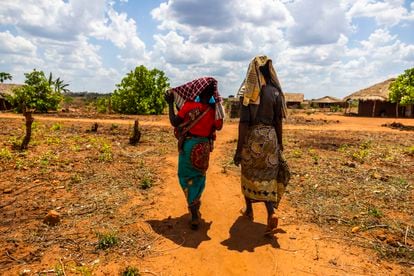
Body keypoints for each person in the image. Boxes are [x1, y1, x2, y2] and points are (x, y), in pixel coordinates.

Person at [233, 56, 289, 234]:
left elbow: (243, 123)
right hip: (271, 137)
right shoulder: (275, 92)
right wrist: (279, 143)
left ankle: (249, 210)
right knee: (268, 177)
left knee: (249, 173)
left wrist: (238, 150)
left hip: (253, 138)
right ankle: (270, 212)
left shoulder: (248, 93)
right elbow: (279, 120)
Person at [165, 77, 224, 230]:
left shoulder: (189, 105)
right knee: (199, 176)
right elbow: (219, 126)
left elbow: (174, 122)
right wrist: (217, 105)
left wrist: (170, 103)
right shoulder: (213, 110)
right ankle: (195, 203)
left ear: (197, 90)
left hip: (189, 146)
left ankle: (194, 213)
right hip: (204, 147)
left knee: (185, 176)